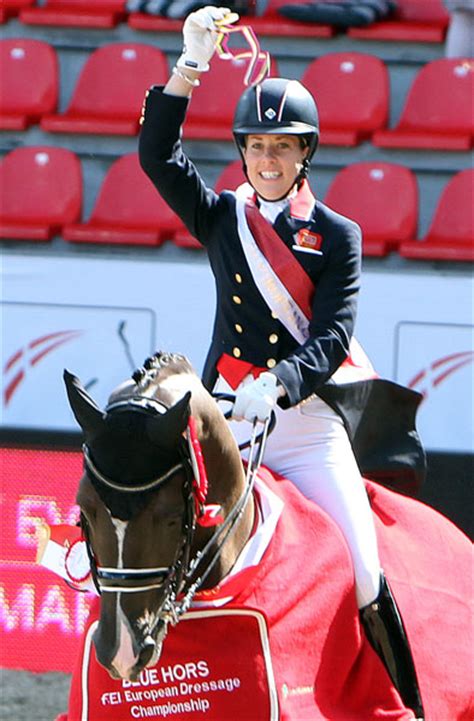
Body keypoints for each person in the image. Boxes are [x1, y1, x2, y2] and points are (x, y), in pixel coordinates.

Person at [138, 7, 425, 717]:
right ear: (242, 152)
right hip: (224, 425)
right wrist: (189, 65)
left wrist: (283, 382)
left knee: (364, 571)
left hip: (301, 429)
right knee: (154, 542)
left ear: (306, 155)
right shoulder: (221, 217)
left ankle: (404, 703)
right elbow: (156, 156)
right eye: (257, 146)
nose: (267, 160)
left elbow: (330, 338)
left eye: (283, 148)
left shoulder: (338, 237)